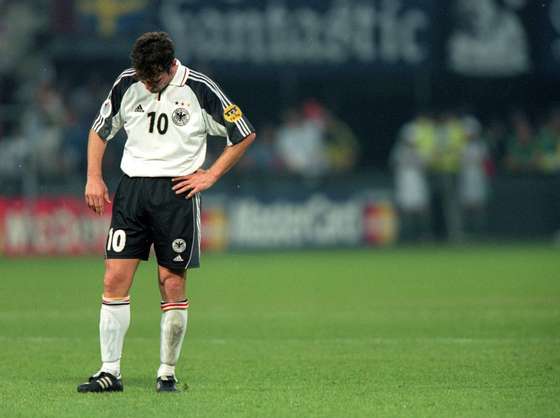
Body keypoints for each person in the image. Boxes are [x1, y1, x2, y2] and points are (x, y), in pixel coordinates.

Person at [78, 32, 256, 393]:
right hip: (132, 191)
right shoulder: (127, 82)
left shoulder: (200, 88)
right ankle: (109, 371)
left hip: (176, 193)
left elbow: (243, 132)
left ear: (171, 66)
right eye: (142, 75)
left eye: (153, 77)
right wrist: (94, 177)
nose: (146, 82)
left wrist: (210, 175)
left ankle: (166, 372)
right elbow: (100, 131)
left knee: (171, 282)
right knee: (114, 278)